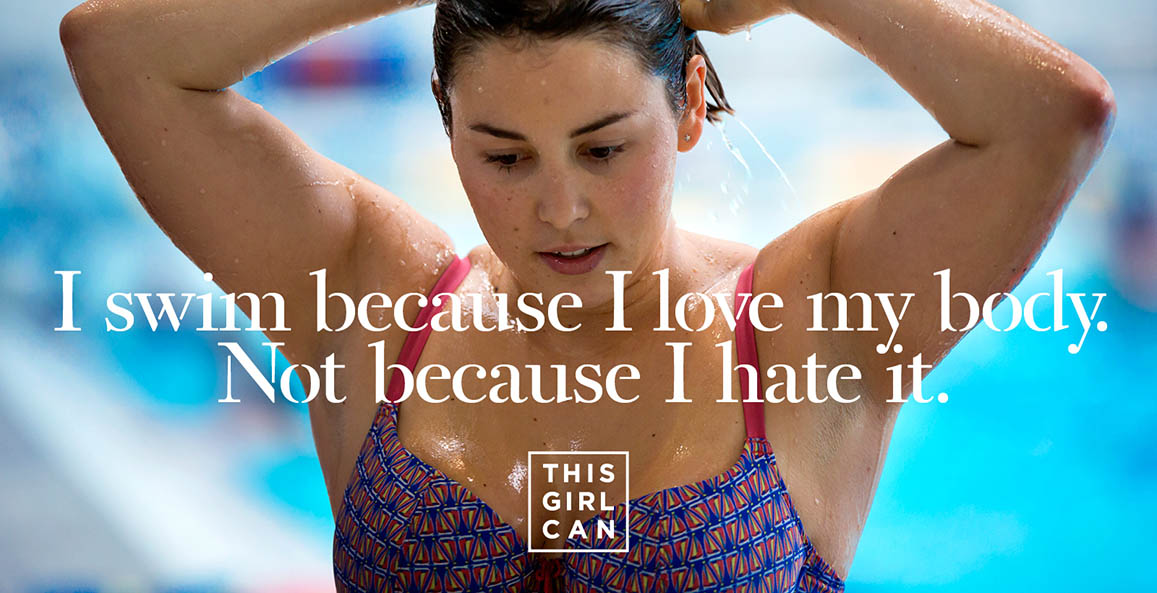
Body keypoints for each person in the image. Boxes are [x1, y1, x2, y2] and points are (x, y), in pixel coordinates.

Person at [59, 0, 1114, 590]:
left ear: (690, 107)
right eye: (504, 157)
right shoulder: (372, 295)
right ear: (444, 125)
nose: (559, 209)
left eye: (603, 148)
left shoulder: (809, 319)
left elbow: (1050, 116)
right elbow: (115, 51)